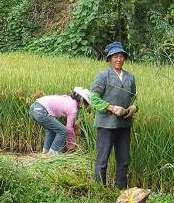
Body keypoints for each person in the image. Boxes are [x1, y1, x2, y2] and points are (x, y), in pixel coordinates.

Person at [89, 41, 138, 189]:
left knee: (123, 160)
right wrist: (111, 107)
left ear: (125, 58)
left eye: (121, 56)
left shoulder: (130, 77)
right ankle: (100, 191)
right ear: (110, 59)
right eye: (115, 56)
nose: (118, 59)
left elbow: (134, 97)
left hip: (124, 124)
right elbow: (93, 99)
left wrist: (133, 108)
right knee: (102, 160)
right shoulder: (103, 76)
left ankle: (120, 190)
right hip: (106, 124)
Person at [28, 87, 91, 155]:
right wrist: (71, 146)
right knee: (63, 131)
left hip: (33, 108)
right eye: (86, 105)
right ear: (82, 102)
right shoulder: (73, 108)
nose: (85, 107)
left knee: (51, 130)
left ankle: (45, 152)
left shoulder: (68, 99)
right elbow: (69, 129)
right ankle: (52, 154)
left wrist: (75, 125)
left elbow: (72, 120)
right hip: (40, 111)